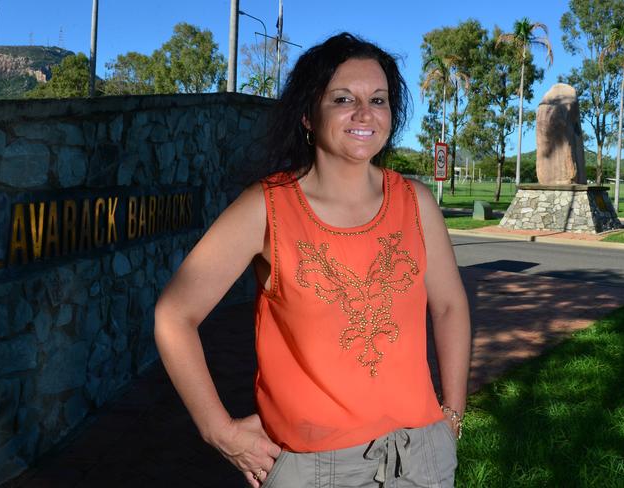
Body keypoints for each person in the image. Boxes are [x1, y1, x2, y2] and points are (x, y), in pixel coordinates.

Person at [154, 32, 471, 487]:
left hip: (420, 458)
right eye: (344, 98)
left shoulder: (415, 202)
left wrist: (452, 416)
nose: (365, 113)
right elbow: (174, 315)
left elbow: (449, 306)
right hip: (315, 468)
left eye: (378, 100)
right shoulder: (267, 207)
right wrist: (218, 430)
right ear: (307, 115)